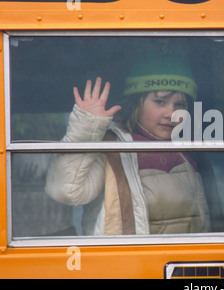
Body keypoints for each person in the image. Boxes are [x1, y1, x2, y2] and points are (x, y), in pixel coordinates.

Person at [45, 48, 210, 236]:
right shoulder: (112, 147)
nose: (171, 114)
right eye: (160, 102)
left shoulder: (185, 151)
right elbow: (66, 192)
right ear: (136, 103)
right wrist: (86, 130)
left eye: (179, 105)